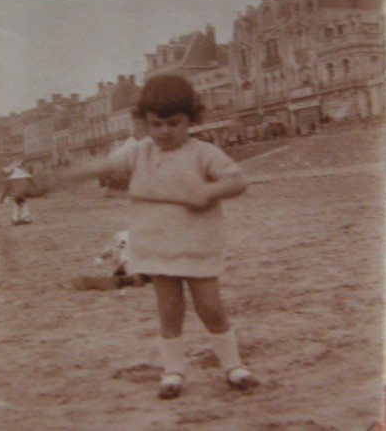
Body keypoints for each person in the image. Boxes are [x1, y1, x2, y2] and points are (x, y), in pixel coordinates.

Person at [60, 75, 258, 399]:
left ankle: (233, 366)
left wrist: (209, 190)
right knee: (169, 310)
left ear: (191, 120)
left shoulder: (203, 153)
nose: (164, 132)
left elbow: (237, 182)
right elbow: (105, 165)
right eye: (156, 124)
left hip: (197, 247)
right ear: (145, 123)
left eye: (173, 124)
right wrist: (66, 176)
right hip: (157, 249)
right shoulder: (139, 153)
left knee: (210, 308)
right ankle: (173, 371)